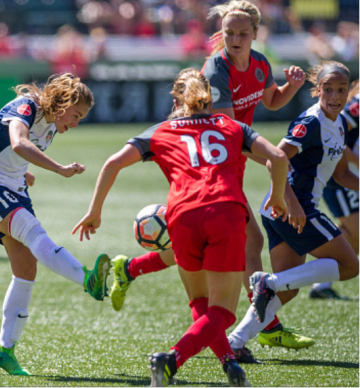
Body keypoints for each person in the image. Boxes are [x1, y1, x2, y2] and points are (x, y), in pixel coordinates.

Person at [107, 0, 311, 361]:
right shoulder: (216, 69)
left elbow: (272, 101)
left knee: (203, 252)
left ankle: (131, 267)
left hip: (233, 164)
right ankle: (266, 325)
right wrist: (274, 167)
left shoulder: (261, 63)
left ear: (255, 34)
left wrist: (291, 88)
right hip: (214, 167)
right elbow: (226, 135)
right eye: (227, 33)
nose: (234, 39)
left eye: (242, 33)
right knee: (249, 241)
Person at [74, 68, 289, 387]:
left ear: (176, 99)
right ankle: (171, 359)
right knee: (223, 312)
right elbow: (278, 156)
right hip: (225, 212)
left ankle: (228, 361)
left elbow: (113, 162)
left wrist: (94, 211)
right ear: (209, 97)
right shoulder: (231, 126)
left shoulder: (160, 131)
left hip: (182, 215)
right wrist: (278, 196)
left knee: (200, 302)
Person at [0, 73, 111, 376]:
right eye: (77, 115)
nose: (77, 122)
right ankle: (87, 279)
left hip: (9, 188)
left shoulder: (51, 125)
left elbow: (14, 152)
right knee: (34, 233)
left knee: (27, 268)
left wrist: (23, 172)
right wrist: (58, 168)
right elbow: (17, 142)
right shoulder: (27, 106)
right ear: (62, 103)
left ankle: (3, 350)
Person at [228, 62, 359, 354]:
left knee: (286, 290)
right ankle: (268, 281)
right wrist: (293, 203)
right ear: (317, 90)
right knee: (350, 267)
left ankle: (234, 342)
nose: (335, 96)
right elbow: (274, 159)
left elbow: (341, 175)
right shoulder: (311, 123)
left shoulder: (338, 122)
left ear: (348, 92)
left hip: (280, 210)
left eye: (341, 90)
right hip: (294, 208)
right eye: (328, 89)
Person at [310, 80, 359, 299]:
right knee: (356, 232)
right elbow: (338, 132)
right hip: (342, 175)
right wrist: (357, 162)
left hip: (350, 175)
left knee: (355, 234)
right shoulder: (357, 105)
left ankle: (321, 284)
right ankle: (314, 281)